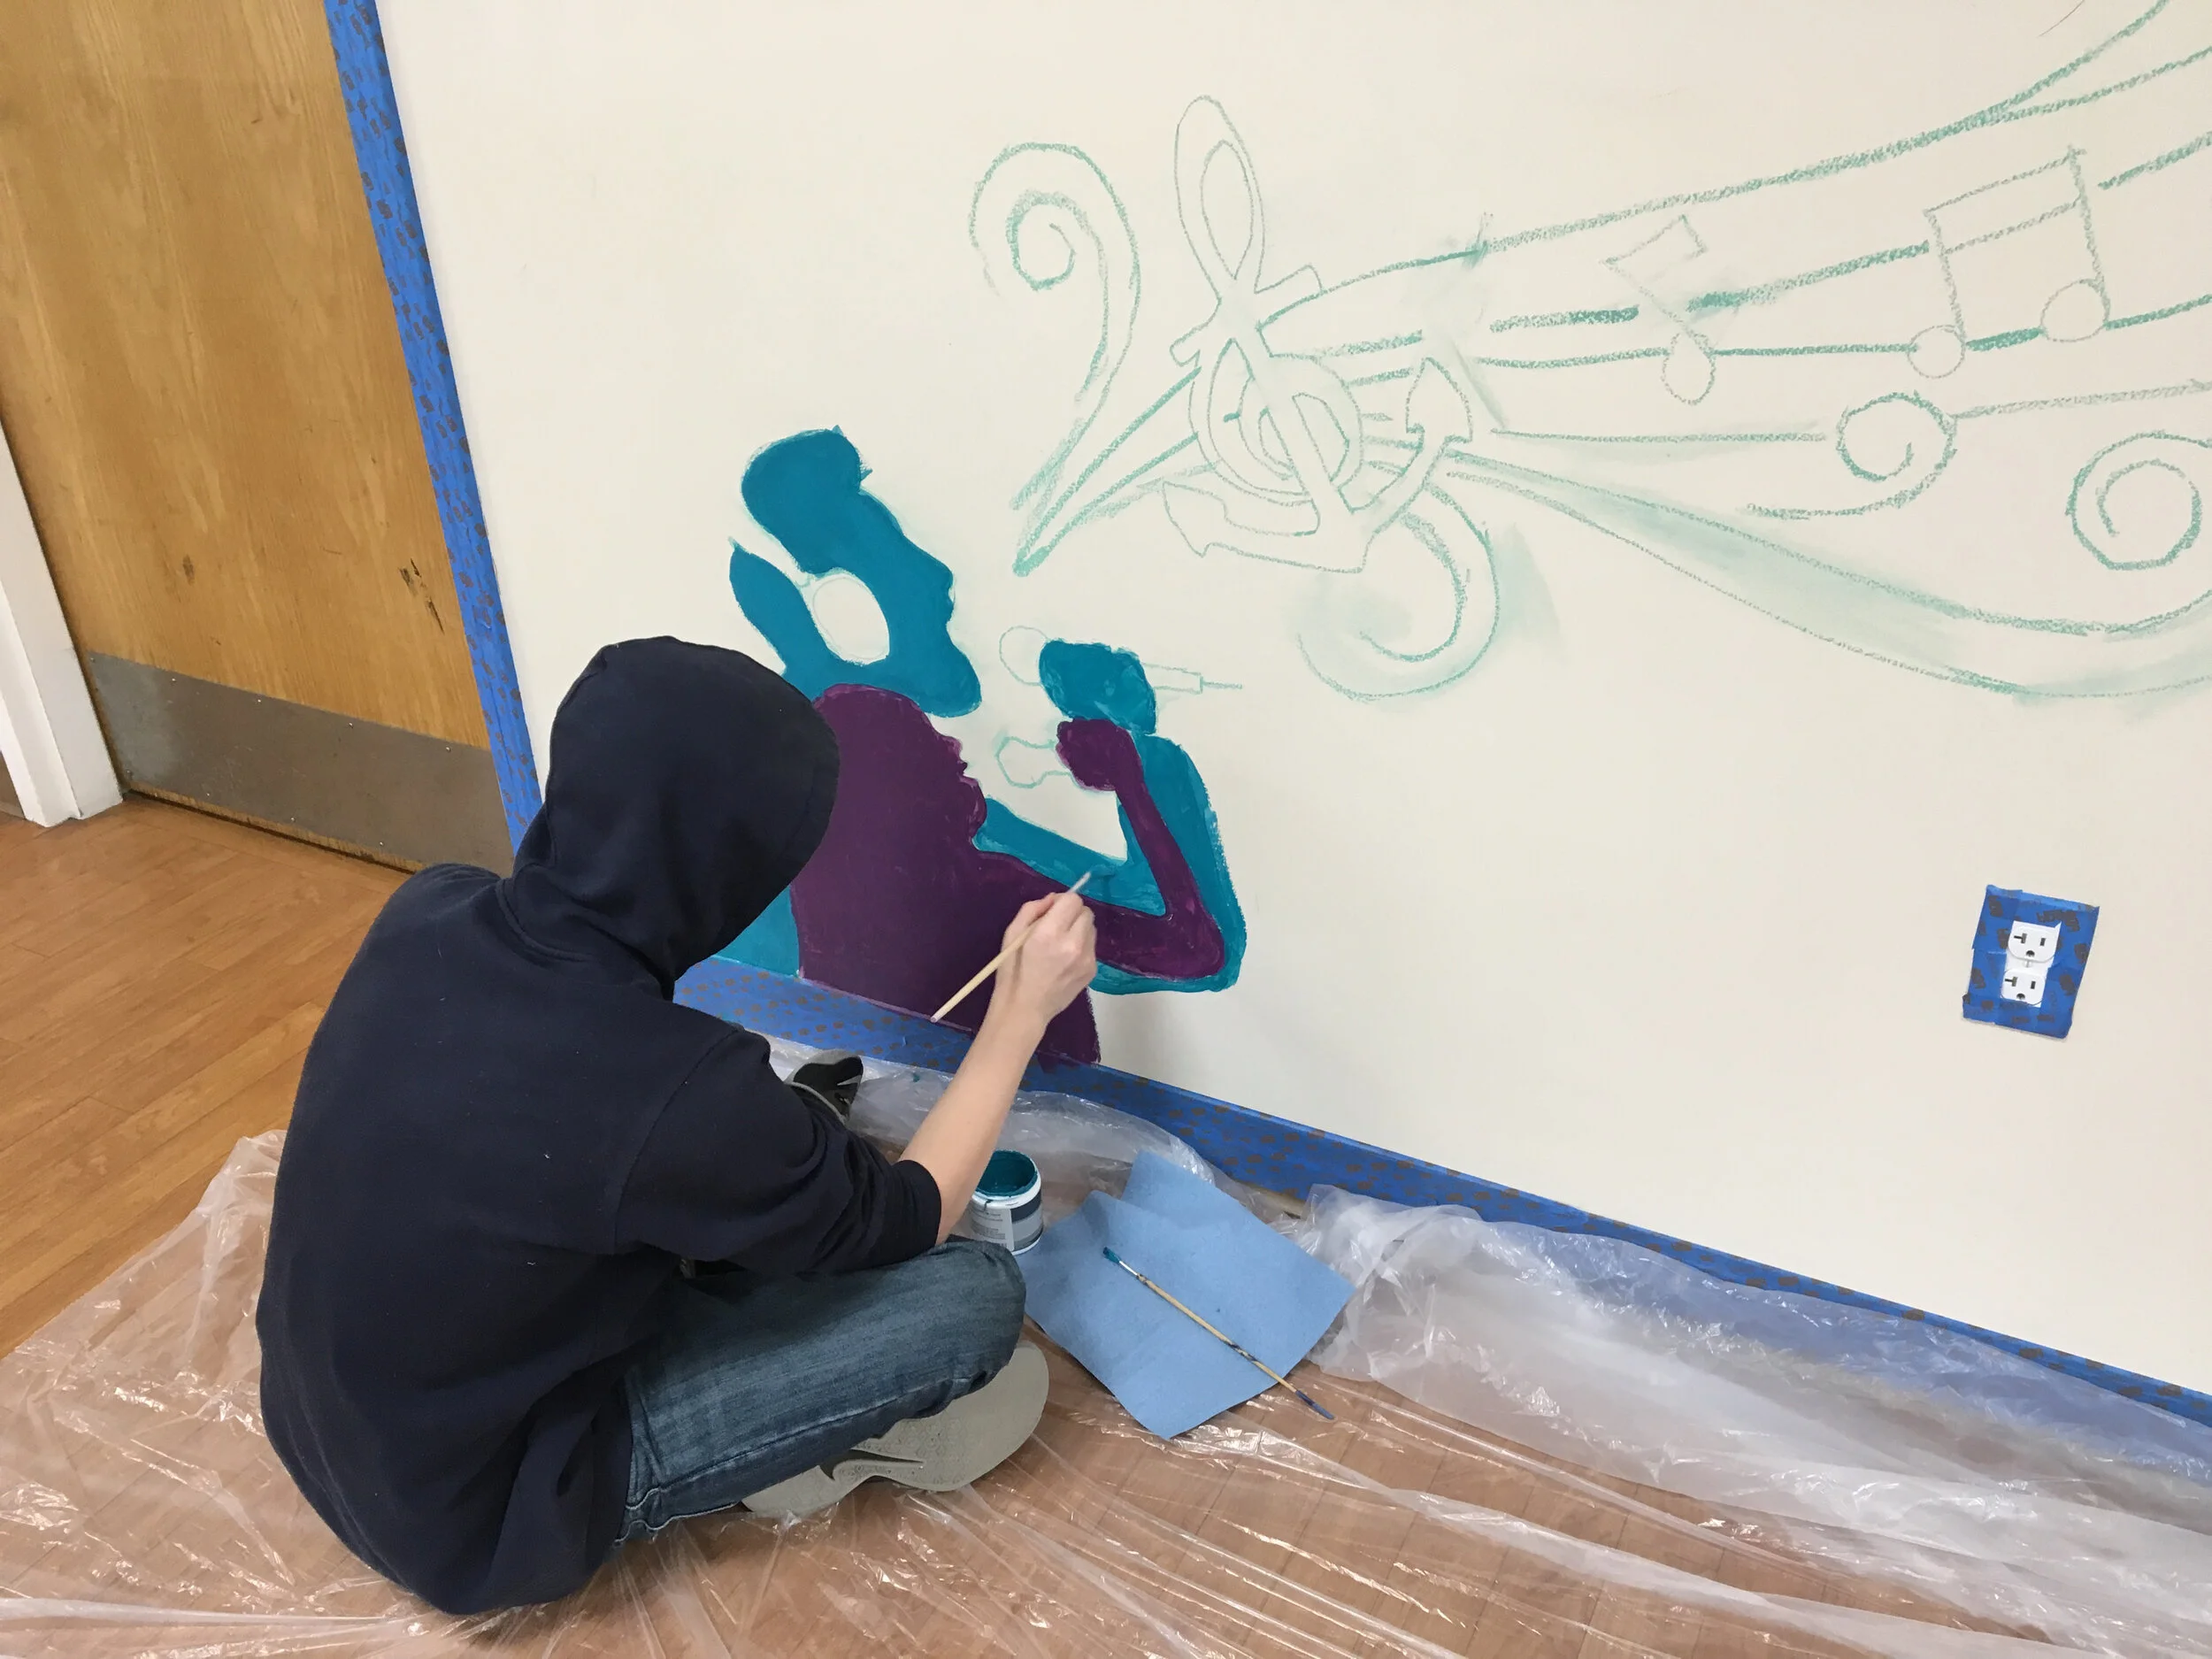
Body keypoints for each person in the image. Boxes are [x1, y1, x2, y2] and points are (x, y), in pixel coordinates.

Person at [255, 637, 1097, 1616]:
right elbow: (910, 1217)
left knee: (749, 1167)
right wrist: (1019, 1013)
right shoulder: (670, 1086)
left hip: (325, 1425)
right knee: (973, 1297)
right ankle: (778, 1454)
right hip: (488, 1517)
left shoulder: (430, 907)